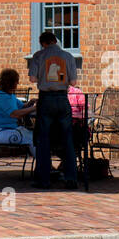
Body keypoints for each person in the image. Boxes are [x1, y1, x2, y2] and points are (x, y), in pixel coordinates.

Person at [26, 31, 81, 189]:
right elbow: (74, 82)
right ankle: (71, 178)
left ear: (43, 43)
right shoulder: (68, 56)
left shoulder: (38, 56)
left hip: (46, 98)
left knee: (44, 140)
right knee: (68, 140)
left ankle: (43, 180)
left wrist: (43, 76)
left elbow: (32, 79)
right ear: (55, 41)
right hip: (63, 99)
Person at [0, 68, 37, 155]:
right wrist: (34, 108)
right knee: (34, 139)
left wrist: (31, 103)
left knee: (36, 136)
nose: (18, 83)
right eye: (16, 81)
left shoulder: (10, 95)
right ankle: (43, 165)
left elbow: (22, 107)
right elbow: (15, 114)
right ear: (11, 82)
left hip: (8, 130)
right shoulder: (2, 97)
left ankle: (43, 164)